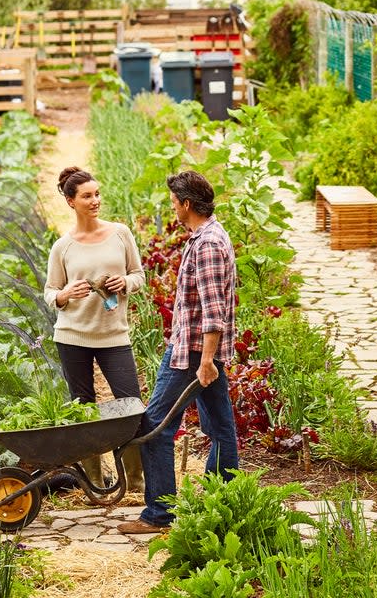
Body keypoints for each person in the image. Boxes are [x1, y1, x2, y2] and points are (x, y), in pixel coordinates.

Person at [117, 170, 239, 534]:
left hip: (193, 353)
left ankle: (158, 515)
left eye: (173, 203)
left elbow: (214, 310)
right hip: (199, 351)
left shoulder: (208, 245)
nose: (172, 210)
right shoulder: (205, 237)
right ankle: (223, 502)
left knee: (156, 426)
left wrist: (205, 361)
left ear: (187, 204)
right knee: (220, 429)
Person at [44, 166, 146, 493]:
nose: (95, 200)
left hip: (114, 335)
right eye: (87, 196)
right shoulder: (63, 247)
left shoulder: (120, 233)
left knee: (130, 405)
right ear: (71, 202)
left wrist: (125, 282)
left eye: (97, 194)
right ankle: (94, 483)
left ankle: (134, 484)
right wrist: (64, 295)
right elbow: (49, 292)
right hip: (73, 336)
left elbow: (139, 275)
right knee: (84, 408)